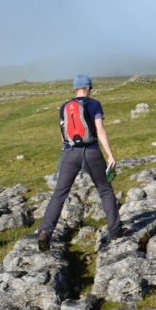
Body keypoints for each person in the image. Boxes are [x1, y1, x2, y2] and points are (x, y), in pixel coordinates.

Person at [37, 74, 124, 249]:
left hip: (70, 154)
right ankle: (115, 231)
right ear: (88, 88)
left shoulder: (65, 106)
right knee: (105, 190)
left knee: (60, 193)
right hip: (91, 151)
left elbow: (63, 135)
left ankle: (45, 231)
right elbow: (100, 130)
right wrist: (110, 155)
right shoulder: (94, 104)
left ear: (75, 88)